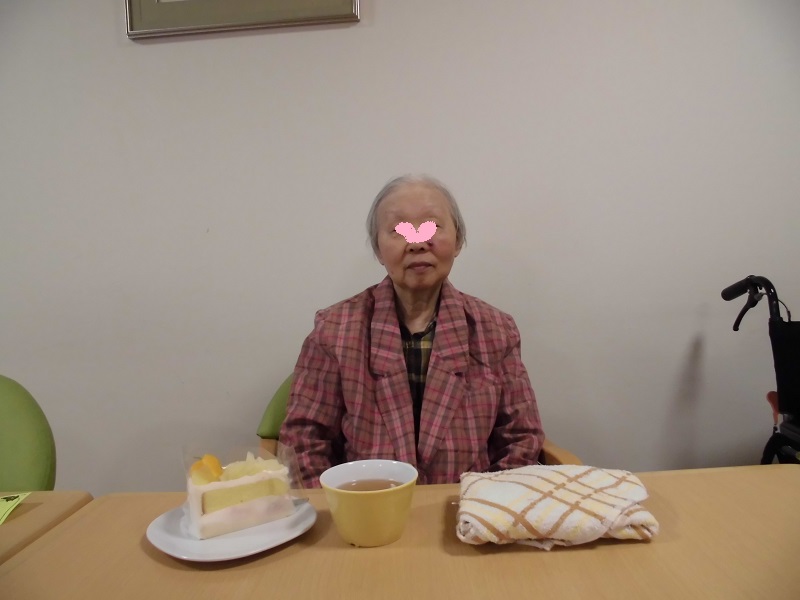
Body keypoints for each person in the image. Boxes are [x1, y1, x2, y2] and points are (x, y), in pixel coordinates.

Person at [279, 175, 544, 487]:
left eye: (432, 226)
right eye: (399, 230)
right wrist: (337, 507)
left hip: (468, 507)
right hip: (365, 507)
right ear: (378, 249)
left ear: (458, 240)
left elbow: (521, 439)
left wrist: (490, 506)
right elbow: (304, 441)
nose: (418, 243)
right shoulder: (334, 331)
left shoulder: (496, 331)